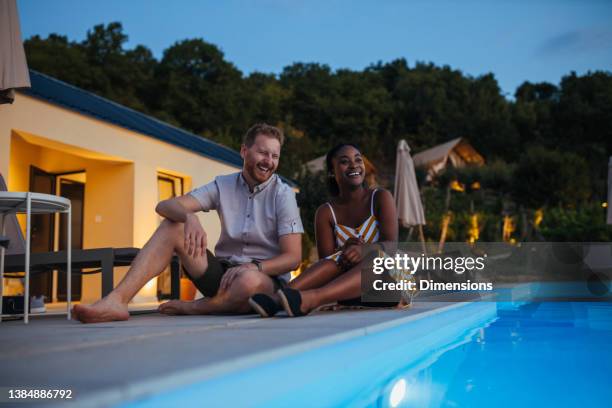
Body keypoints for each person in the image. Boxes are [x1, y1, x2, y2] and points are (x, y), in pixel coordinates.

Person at [72, 124, 303, 323]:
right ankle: (117, 301)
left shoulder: (283, 195)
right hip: (221, 276)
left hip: (262, 280)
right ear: (244, 151)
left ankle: (200, 307)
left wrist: (255, 267)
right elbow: (164, 206)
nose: (269, 162)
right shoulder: (222, 185)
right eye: (263, 153)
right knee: (172, 226)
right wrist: (188, 216)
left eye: (275, 156)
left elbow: (293, 258)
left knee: (248, 281)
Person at [249, 143, 399, 317]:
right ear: (331, 172)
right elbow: (326, 262)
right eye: (344, 162)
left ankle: (312, 299)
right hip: (348, 291)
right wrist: (345, 251)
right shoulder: (326, 212)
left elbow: (392, 246)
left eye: (358, 160)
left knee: (378, 260)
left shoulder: (380, 197)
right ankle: (276, 300)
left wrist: (363, 250)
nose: (354, 165)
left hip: (388, 286)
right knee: (337, 258)